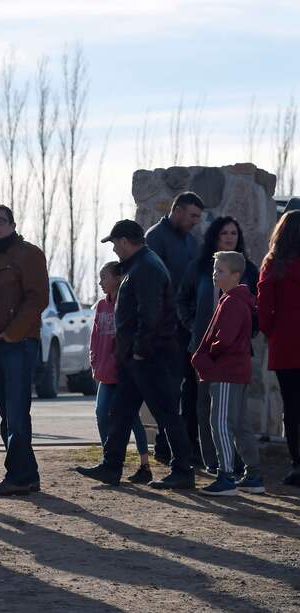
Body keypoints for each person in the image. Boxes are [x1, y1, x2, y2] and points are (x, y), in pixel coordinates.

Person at [76, 220, 195, 489]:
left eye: (115, 243)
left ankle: (183, 471)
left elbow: (149, 314)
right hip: (137, 357)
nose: (114, 249)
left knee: (165, 414)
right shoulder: (141, 266)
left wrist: (140, 350)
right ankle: (111, 466)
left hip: (150, 357)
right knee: (120, 412)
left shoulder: (146, 268)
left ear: (126, 241)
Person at [0, 205, 49, 496]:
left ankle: (19, 477)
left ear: (13, 224)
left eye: (0, 221)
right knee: (7, 415)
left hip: (17, 345)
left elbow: (38, 298)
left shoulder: (28, 254)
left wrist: (13, 333)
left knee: (16, 414)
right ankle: (25, 476)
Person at [177, 216, 259, 472]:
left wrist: (244, 334)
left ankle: (231, 469)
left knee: (229, 417)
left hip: (226, 357)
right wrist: (193, 327)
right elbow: (182, 299)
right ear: (215, 236)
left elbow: (255, 308)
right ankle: (211, 462)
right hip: (201, 346)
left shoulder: (248, 274)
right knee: (204, 409)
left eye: (234, 232)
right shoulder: (200, 268)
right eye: (224, 232)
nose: (229, 236)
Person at [191, 251, 263, 496]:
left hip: (226, 372)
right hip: (236, 371)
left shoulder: (232, 302)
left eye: (220, 271)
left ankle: (226, 476)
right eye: (214, 270)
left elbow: (224, 340)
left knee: (221, 423)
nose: (214, 275)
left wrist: (208, 357)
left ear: (235, 275)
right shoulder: (234, 299)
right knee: (241, 424)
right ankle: (253, 475)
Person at [145, 191, 204, 464]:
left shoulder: (191, 242)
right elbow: (153, 286)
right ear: (177, 210)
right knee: (167, 390)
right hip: (165, 330)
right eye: (192, 215)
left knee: (188, 390)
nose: (195, 221)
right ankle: (164, 445)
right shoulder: (155, 238)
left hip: (187, 329)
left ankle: (185, 445)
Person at [90, 261, 151, 484]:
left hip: (124, 372)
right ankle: (111, 460)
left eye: (103, 277)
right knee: (101, 412)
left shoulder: (126, 303)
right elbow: (95, 337)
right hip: (105, 371)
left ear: (117, 278)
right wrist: (94, 361)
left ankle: (144, 465)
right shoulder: (101, 306)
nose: (100, 282)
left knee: (132, 418)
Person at [257, 210, 300, 486]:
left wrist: (271, 331)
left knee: (292, 406)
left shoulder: (274, 264)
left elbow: (263, 305)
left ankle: (297, 463)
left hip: (286, 344)